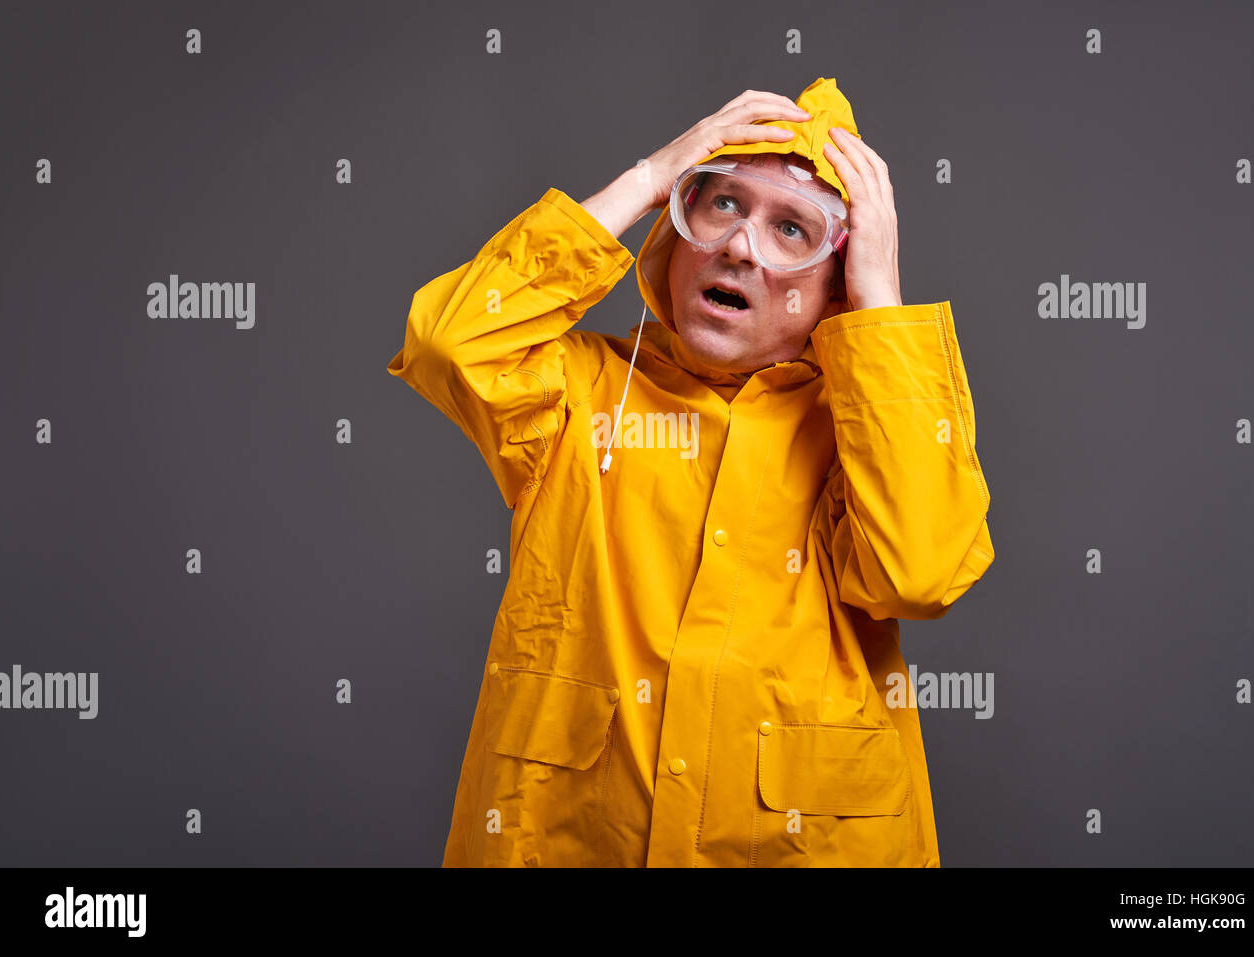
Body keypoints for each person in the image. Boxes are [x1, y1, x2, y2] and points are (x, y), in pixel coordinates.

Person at [387, 77, 995, 867]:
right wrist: (650, 176)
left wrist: (879, 297)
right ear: (676, 235)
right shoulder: (580, 396)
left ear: (831, 284)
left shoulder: (861, 435)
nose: (742, 246)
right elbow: (449, 344)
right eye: (722, 206)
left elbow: (920, 571)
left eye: (791, 229)